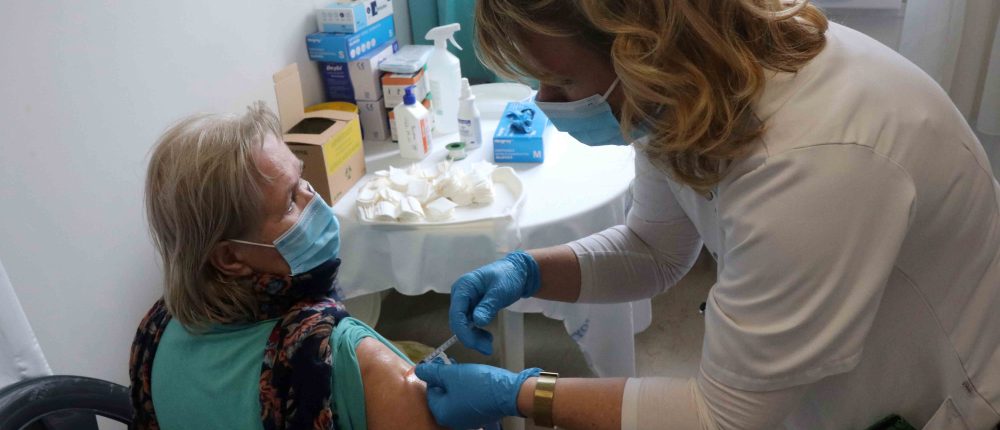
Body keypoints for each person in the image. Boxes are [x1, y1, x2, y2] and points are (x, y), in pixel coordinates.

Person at [414, 0, 1000, 429]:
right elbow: (655, 250)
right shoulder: (682, 90)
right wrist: (527, 271)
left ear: (639, 46)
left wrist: (520, 394)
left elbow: (721, 418)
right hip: (833, 373)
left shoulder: (814, 160)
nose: (547, 104)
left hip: (952, 395)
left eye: (563, 82)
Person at [130, 102, 442, 430]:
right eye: (290, 201)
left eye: (301, 179)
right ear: (230, 258)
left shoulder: (156, 333)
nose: (313, 198)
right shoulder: (348, 358)